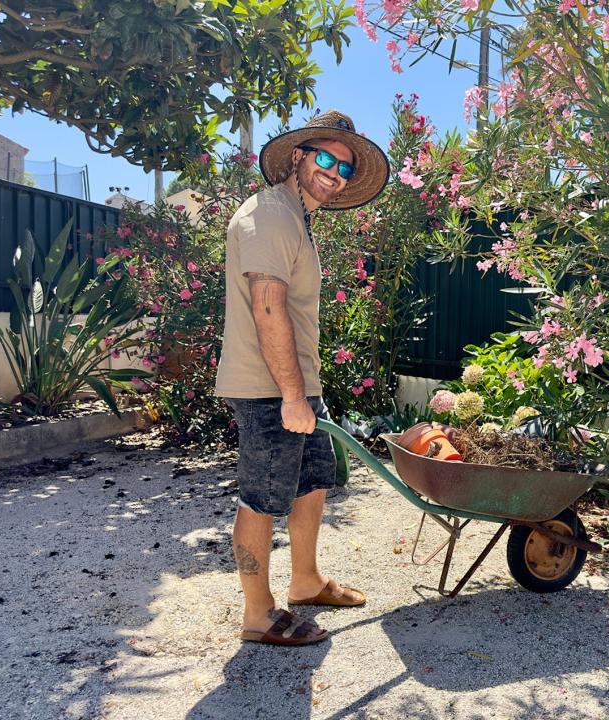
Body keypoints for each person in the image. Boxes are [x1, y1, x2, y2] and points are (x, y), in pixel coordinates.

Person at [215, 110, 390, 646]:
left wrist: (304, 390)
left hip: (295, 386)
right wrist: (292, 394)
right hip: (269, 389)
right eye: (324, 157)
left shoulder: (296, 218)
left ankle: (307, 581)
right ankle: (258, 614)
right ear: (297, 157)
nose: (334, 171)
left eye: (343, 165)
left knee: (313, 481)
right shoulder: (269, 216)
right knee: (261, 498)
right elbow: (267, 310)